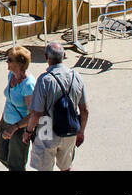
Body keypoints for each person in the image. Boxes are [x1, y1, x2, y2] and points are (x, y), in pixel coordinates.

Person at [23, 41, 88, 172]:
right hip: (70, 128)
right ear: (64, 56)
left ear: (46, 58)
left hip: (47, 128)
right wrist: (81, 132)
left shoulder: (44, 80)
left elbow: (36, 113)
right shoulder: (77, 76)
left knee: (43, 168)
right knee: (66, 167)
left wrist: (28, 131)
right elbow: (85, 110)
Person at [0, 45, 36, 171]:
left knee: (16, 165)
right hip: (6, 122)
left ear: (20, 63)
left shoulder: (28, 85)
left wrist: (14, 127)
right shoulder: (11, 75)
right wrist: (2, 119)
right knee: (1, 155)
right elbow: (9, 99)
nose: (7, 62)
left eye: (10, 60)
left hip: (19, 129)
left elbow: (33, 114)